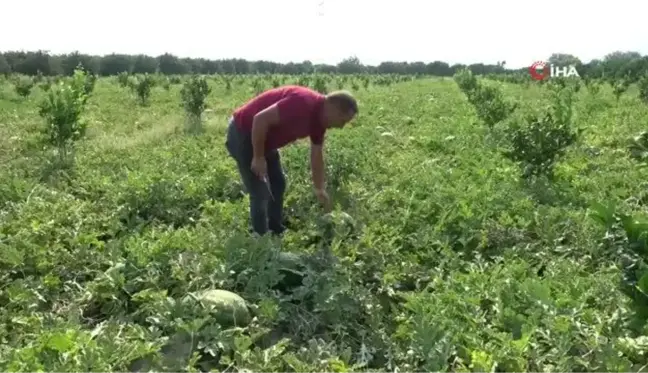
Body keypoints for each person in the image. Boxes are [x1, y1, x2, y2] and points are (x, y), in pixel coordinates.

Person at [225, 85, 358, 236]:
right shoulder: (303, 103)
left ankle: (275, 229)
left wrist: (319, 188)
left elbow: (316, 155)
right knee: (260, 190)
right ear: (334, 108)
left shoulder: (319, 121)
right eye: (343, 121)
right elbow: (260, 119)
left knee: (278, 183)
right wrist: (258, 157)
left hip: (265, 140)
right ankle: (261, 241)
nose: (341, 127)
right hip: (243, 132)